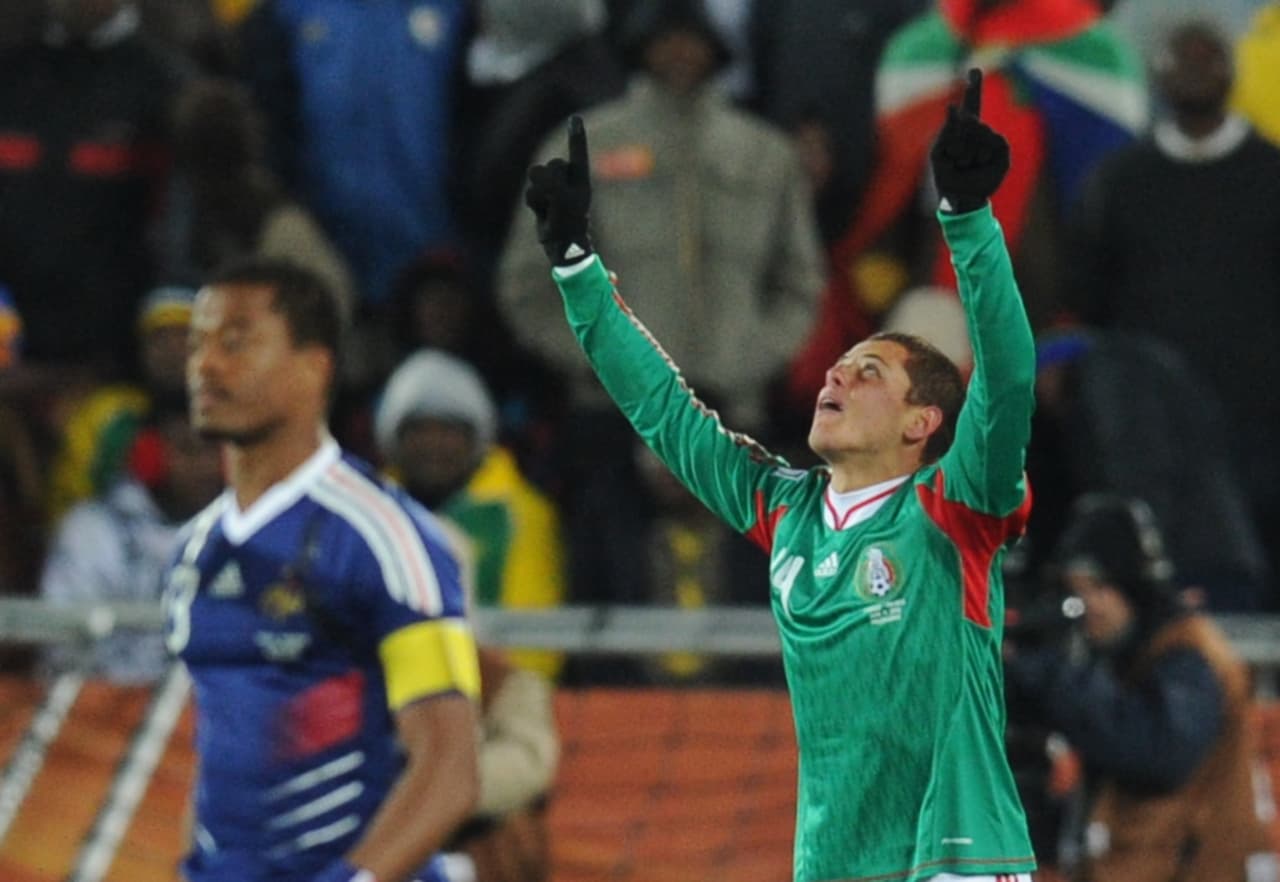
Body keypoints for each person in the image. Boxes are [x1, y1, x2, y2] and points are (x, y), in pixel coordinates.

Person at [523, 68, 1037, 882]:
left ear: (922, 423)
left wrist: (969, 222)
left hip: (953, 857)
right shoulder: (787, 511)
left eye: (869, 371)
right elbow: (665, 411)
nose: (837, 375)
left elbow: (1006, 382)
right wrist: (578, 269)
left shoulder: (956, 506)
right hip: (836, 865)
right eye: (839, 363)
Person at [164, 257, 481, 882]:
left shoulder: (387, 538)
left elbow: (450, 769)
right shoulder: (193, 551)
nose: (205, 365)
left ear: (314, 367)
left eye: (236, 342)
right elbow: (219, 747)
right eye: (199, 344)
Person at [1065, 18, 1280, 600]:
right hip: (1151, 417)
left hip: (1261, 413)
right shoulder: (1120, 180)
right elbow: (1088, 294)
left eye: (1208, 58)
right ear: (1157, 78)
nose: (1194, 70)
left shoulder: (1271, 174)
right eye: (1181, 59)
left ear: (1232, 74)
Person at [1004, 494, 1278, 882]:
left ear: (1135, 587)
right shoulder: (1131, 656)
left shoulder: (1191, 656)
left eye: (1099, 587)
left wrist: (1052, 678)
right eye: (1076, 590)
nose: (1087, 606)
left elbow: (1156, 753)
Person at [375, 348, 568, 680]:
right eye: (418, 430)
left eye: (448, 430)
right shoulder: (370, 511)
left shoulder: (520, 514)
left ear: (476, 437)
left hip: (495, 694)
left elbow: (535, 642)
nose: (433, 444)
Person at [41, 404, 223, 683]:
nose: (205, 466)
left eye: (214, 452)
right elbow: (64, 646)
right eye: (188, 450)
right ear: (148, 455)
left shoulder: (239, 528)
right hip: (103, 698)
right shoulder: (93, 529)